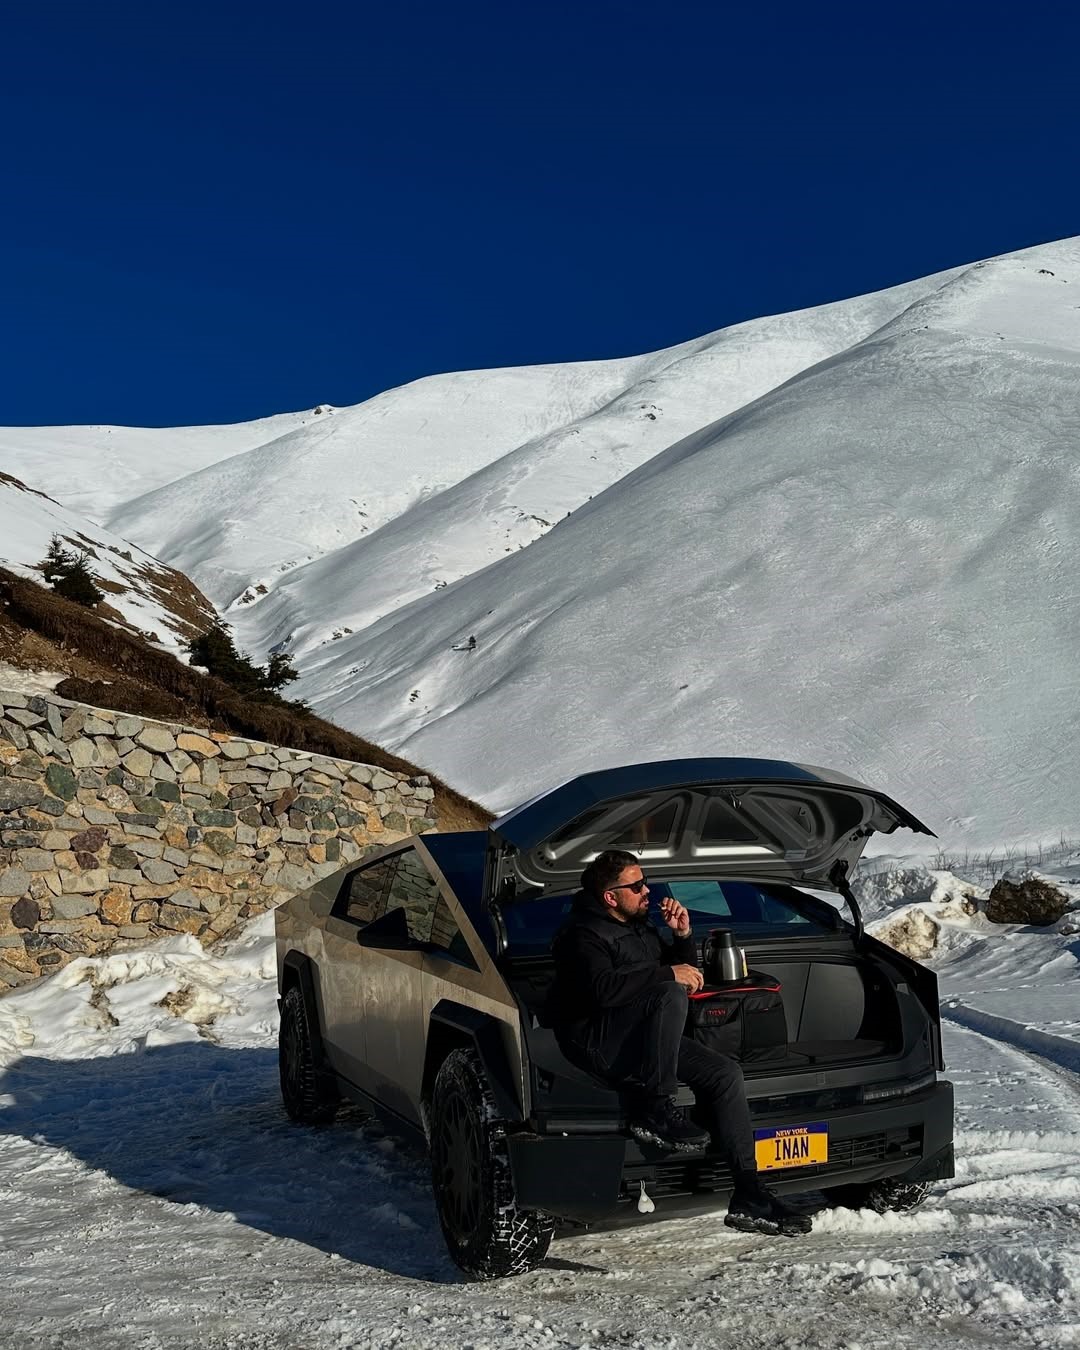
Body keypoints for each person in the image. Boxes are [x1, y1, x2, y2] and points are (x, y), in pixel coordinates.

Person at [549, 848, 812, 1236]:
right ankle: (655, 1109)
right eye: (636, 885)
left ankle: (749, 1192)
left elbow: (679, 970)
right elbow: (602, 990)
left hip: (641, 1038)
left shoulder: (637, 925)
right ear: (610, 896)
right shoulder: (581, 933)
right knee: (668, 991)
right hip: (595, 1041)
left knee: (725, 1074)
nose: (647, 891)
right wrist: (667, 974)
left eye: (645, 883)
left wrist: (682, 934)